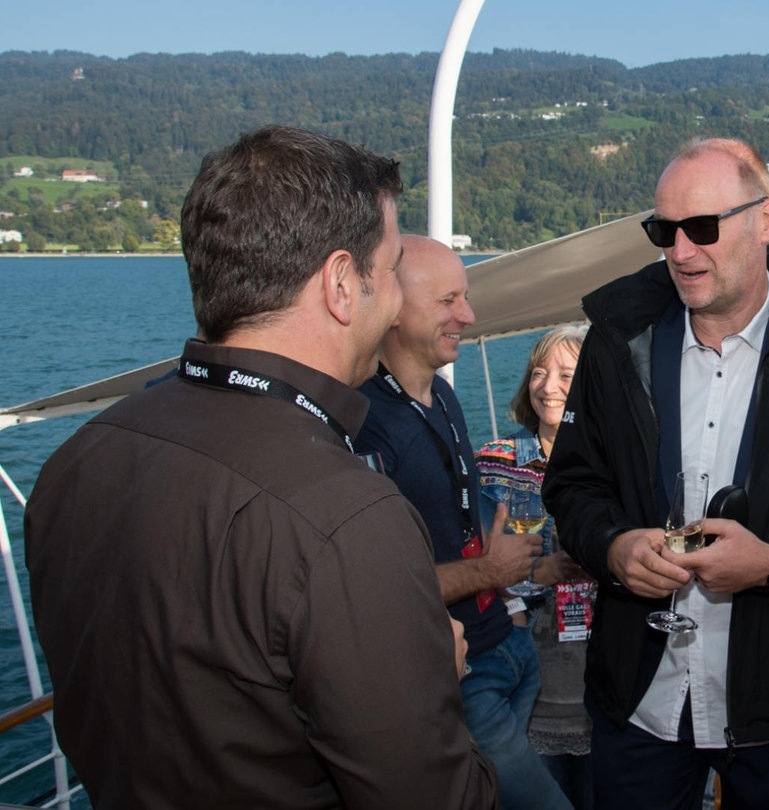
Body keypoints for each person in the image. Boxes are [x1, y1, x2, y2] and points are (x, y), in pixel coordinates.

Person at [24, 125, 496, 809]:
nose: (395, 297)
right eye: (391, 268)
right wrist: (435, 680)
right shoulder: (346, 516)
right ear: (341, 283)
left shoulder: (79, 459)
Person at [543, 137, 769, 810]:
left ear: (764, 220)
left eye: (702, 228)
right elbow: (572, 485)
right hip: (641, 697)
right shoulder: (616, 344)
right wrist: (615, 547)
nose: (679, 251)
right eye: (664, 230)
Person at [354, 235, 570, 810]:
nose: (468, 316)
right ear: (395, 308)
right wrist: (488, 574)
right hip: (462, 674)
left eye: (465, 297)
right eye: (449, 300)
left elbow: (467, 531)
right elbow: (375, 589)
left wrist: (519, 593)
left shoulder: (445, 402)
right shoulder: (366, 424)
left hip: (511, 648)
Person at [475, 325, 594, 809]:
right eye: (539, 373)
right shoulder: (493, 465)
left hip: (604, 690)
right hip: (528, 689)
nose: (548, 386)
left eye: (566, 374)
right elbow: (473, 576)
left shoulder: (617, 468)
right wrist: (537, 576)